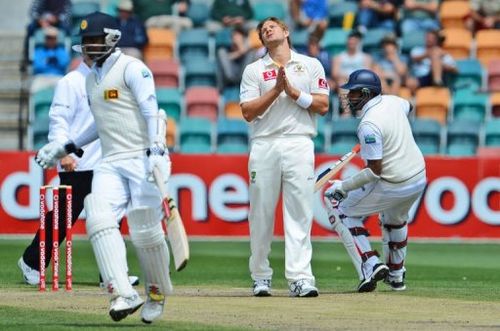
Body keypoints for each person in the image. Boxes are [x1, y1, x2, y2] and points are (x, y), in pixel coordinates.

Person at [35, 12, 173, 323]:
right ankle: (123, 292)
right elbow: (100, 123)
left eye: (94, 40)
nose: (88, 46)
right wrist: (65, 146)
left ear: (111, 39)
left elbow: (152, 111)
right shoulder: (89, 78)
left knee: (145, 233)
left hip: (141, 157)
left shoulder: (133, 69)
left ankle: (156, 291)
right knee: (97, 216)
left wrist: (156, 149)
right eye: (85, 41)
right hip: (111, 160)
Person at [19, 52, 139, 288]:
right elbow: (58, 120)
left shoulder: (113, 82)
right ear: (83, 53)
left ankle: (112, 276)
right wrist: (63, 153)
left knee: (111, 220)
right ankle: (31, 263)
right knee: (63, 219)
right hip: (78, 162)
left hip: (107, 163)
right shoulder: (70, 82)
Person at [240, 17, 329, 297]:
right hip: (264, 144)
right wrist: (276, 91)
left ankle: (301, 278)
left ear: (286, 31)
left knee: (299, 213)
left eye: (272, 26)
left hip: (299, 143)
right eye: (262, 30)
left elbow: (323, 105)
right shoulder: (254, 70)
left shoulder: (310, 65)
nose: (267, 30)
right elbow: (247, 111)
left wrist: (293, 93)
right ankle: (261, 276)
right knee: (261, 213)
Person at [324, 69, 427, 292]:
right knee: (395, 220)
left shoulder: (368, 125)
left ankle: (370, 264)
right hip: (418, 178)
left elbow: (374, 172)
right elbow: (409, 106)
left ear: (366, 93)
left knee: (337, 205)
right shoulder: (395, 101)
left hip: (393, 183)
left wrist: (343, 186)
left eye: (352, 93)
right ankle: (396, 276)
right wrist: (388, 135)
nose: (348, 98)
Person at [22, 0, 72, 70]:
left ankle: (69, 57)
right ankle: (27, 58)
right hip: (41, 21)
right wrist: (40, 21)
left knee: (68, 29)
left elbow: (67, 13)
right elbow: (33, 11)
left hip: (58, 22)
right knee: (30, 27)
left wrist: (56, 19)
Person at [331, 30, 372, 113]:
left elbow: (368, 74)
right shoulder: (339, 57)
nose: (351, 44)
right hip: (344, 82)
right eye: (350, 42)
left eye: (354, 42)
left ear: (358, 43)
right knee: (341, 83)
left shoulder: (366, 58)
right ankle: (346, 111)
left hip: (360, 83)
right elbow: (335, 74)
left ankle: (360, 111)